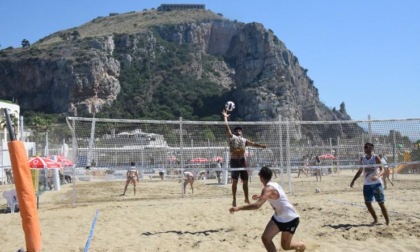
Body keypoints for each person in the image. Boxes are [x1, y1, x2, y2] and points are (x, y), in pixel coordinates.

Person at [229, 166, 305, 252]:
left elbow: (257, 205)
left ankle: (302, 245)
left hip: (290, 218)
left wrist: (238, 208)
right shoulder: (273, 185)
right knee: (266, 238)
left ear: (261, 177)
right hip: (279, 217)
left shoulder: (268, 189)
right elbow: (275, 195)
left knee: (286, 246)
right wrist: (260, 196)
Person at [222, 109, 267, 207]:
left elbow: (254, 144)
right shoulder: (232, 137)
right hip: (234, 161)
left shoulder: (244, 140)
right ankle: (234, 199)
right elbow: (226, 127)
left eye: (240, 130)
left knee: (245, 181)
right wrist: (225, 117)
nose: (238, 131)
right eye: (237, 130)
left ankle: (246, 198)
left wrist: (261, 146)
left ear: (242, 133)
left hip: (242, 161)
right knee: (234, 181)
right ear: (235, 132)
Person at [350, 143, 390, 225]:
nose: (365, 148)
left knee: (381, 203)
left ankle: (387, 221)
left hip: (377, 183)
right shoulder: (362, 158)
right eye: (364, 147)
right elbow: (360, 170)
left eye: (366, 147)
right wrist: (353, 180)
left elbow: (383, 170)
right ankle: (375, 219)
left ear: (371, 148)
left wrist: (377, 176)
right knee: (367, 203)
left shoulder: (375, 157)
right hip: (367, 184)